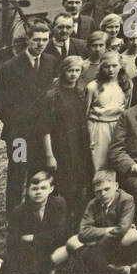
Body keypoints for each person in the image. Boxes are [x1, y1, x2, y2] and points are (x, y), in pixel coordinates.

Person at [0, 171, 70, 274]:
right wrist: (39, 241)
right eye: (34, 189)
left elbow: (60, 234)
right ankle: (43, 273)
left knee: (68, 248)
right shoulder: (19, 211)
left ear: (51, 189)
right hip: (27, 256)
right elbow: (13, 243)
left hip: (53, 252)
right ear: (28, 191)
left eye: (43, 188)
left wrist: (33, 238)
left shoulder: (59, 204)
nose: (38, 192)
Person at [41, 56, 94, 223]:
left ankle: (80, 217)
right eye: (70, 70)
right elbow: (45, 128)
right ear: (63, 71)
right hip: (62, 144)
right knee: (66, 183)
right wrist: (50, 155)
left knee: (82, 181)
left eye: (77, 71)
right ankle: (64, 219)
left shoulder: (81, 91)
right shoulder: (53, 95)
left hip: (80, 143)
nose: (73, 74)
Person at [67, 170, 137, 274]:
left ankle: (94, 260)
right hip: (102, 239)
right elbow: (83, 232)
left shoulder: (126, 199)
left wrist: (96, 243)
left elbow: (123, 228)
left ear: (116, 186)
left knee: (133, 234)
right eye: (98, 191)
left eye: (107, 189)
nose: (103, 194)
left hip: (115, 241)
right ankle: (113, 270)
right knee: (73, 241)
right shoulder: (93, 203)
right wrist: (108, 230)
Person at [84, 51, 132, 173]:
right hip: (99, 127)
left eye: (114, 66)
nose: (111, 70)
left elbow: (127, 109)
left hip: (119, 127)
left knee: (119, 161)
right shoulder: (92, 86)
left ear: (120, 65)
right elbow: (85, 113)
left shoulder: (127, 85)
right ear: (101, 67)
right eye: (107, 66)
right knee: (100, 163)